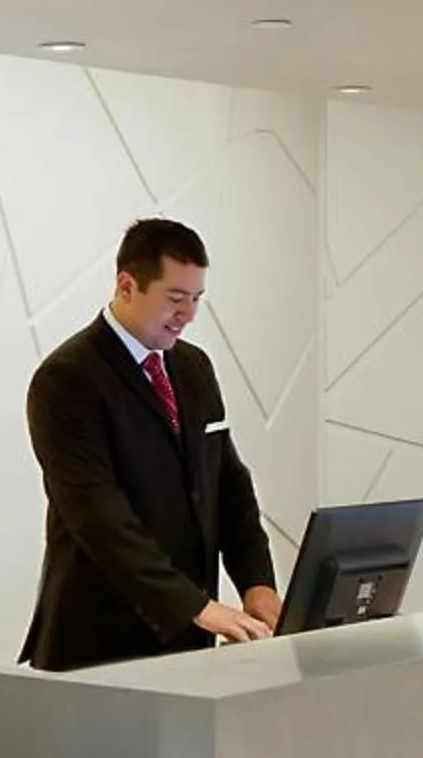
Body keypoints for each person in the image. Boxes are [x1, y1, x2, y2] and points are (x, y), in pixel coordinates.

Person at [20, 217, 281, 672]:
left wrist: (257, 584)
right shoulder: (66, 379)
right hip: (99, 643)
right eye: (175, 299)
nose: (189, 314)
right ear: (127, 286)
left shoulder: (195, 368)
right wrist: (194, 606)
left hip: (188, 640)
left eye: (197, 299)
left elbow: (229, 486)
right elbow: (98, 516)